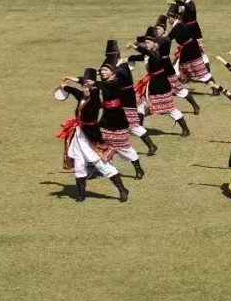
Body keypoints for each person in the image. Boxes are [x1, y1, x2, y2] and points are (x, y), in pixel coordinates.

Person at [54, 69, 130, 203]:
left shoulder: (95, 100)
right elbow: (74, 91)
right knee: (79, 164)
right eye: (84, 86)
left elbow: (94, 88)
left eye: (89, 87)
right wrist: (65, 86)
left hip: (91, 136)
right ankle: (81, 194)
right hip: (79, 136)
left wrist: (91, 84)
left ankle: (122, 189)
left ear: (94, 88)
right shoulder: (81, 96)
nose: (86, 89)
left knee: (101, 164)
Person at [128, 29, 191, 137]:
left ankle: (185, 129)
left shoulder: (157, 53)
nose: (146, 44)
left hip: (161, 85)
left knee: (170, 109)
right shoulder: (149, 54)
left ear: (155, 44)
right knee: (142, 107)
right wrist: (129, 58)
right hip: (153, 84)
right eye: (145, 42)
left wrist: (135, 47)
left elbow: (147, 53)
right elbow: (143, 56)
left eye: (148, 42)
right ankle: (140, 129)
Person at [104, 40, 158, 156]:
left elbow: (120, 75)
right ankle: (112, 146)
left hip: (126, 100)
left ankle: (151, 145)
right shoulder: (113, 66)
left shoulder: (123, 66)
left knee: (132, 125)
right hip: (117, 100)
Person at [97, 59, 145, 180]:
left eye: (105, 70)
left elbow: (103, 84)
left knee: (125, 149)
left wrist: (121, 64)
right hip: (106, 119)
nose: (102, 72)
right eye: (102, 70)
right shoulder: (105, 83)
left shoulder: (117, 82)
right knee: (103, 144)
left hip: (118, 120)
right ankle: (106, 169)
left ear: (113, 72)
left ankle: (139, 169)